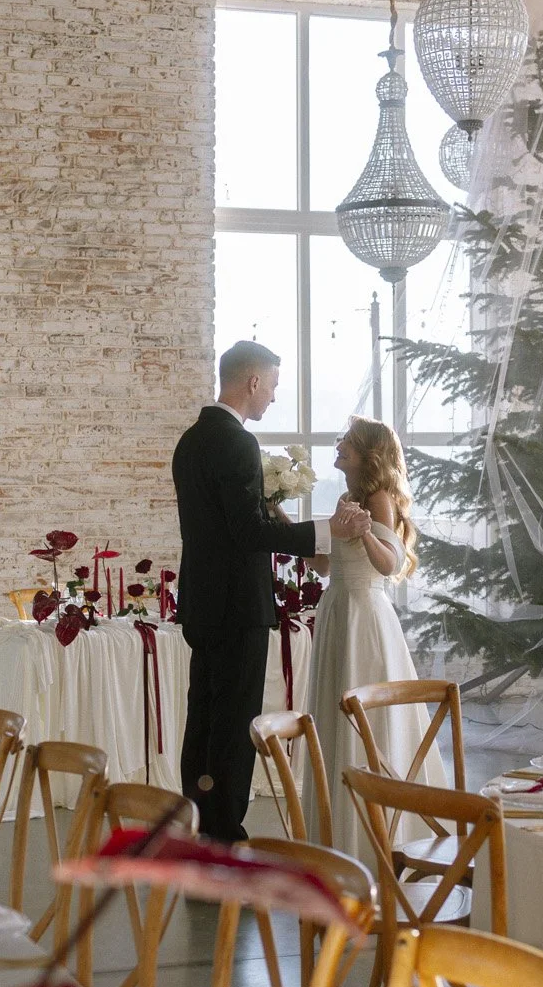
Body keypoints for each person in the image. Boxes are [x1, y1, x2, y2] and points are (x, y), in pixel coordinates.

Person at [173, 341, 368, 842]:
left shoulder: (190, 441)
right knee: (234, 724)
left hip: (201, 602)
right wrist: (326, 531)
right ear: (253, 381)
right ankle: (225, 833)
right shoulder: (237, 443)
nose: (275, 397)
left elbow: (224, 527)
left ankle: (198, 821)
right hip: (237, 606)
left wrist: (271, 514)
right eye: (274, 385)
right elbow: (247, 534)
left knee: (203, 718)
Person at [302, 416, 446, 860]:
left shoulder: (379, 498)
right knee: (333, 712)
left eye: (348, 440)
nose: (339, 444)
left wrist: (364, 532)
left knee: (365, 715)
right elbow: (323, 567)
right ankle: (337, 834)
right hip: (336, 609)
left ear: (368, 454)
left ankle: (373, 836)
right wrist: (293, 528)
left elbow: (390, 564)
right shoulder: (345, 498)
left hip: (365, 615)